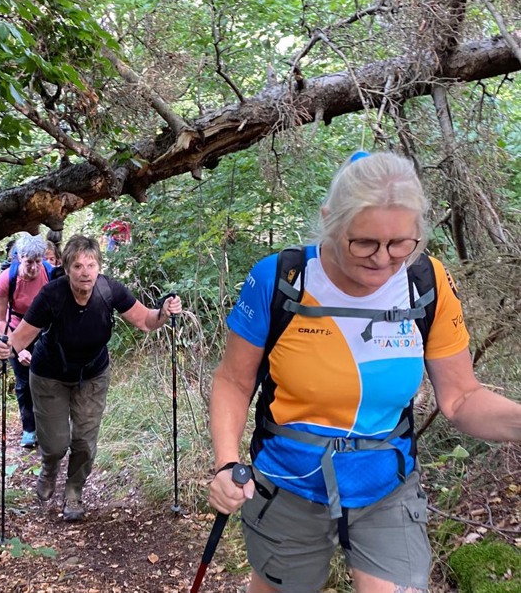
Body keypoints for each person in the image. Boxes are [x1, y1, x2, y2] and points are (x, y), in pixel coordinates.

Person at [208, 151, 521, 593]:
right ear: (329, 221)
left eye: (400, 244)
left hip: (385, 485)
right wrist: (225, 463)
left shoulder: (426, 283)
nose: (383, 260)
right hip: (287, 483)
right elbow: (234, 381)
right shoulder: (282, 278)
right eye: (364, 243)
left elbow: (462, 398)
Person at [0, 234, 182, 521]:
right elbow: (20, 338)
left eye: (91, 265)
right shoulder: (52, 295)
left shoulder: (110, 291)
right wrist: (5, 346)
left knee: (84, 441)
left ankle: (73, 494)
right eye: (78, 266)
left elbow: (146, 320)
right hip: (49, 375)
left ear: (98, 267)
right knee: (56, 444)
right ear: (67, 268)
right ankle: (48, 469)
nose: (85, 272)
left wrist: (165, 312)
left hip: (92, 375)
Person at [0, 234, 51, 448]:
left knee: (48, 379)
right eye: (29, 262)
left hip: (45, 330)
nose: (34, 267)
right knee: (24, 382)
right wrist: (18, 348)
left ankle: (50, 426)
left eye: (38, 261)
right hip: (16, 329)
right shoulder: (7, 279)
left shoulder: (50, 273)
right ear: (19, 257)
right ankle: (29, 429)